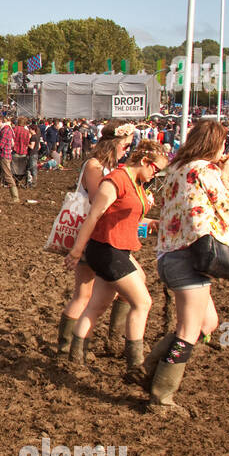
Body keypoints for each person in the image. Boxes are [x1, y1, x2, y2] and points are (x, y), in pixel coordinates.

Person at [147, 119, 229, 414]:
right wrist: (226, 175)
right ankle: (161, 397)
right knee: (189, 330)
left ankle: (148, 368)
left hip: (169, 255)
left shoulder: (175, 168)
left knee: (208, 323)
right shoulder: (206, 171)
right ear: (216, 145)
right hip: (192, 255)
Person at [63, 140, 168, 380]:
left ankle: (75, 357)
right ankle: (135, 366)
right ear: (144, 161)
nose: (155, 174)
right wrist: (77, 251)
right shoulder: (116, 181)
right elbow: (94, 216)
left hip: (117, 249)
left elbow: (124, 217)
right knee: (142, 303)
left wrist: (151, 223)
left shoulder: (136, 184)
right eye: (155, 168)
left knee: (96, 306)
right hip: (107, 250)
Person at [53, 122, 136, 356]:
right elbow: (96, 200)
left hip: (106, 236)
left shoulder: (110, 167)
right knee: (84, 293)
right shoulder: (95, 166)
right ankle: (67, 345)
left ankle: (108, 339)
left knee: (116, 290)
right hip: (91, 236)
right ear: (113, 143)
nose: (127, 150)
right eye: (125, 145)